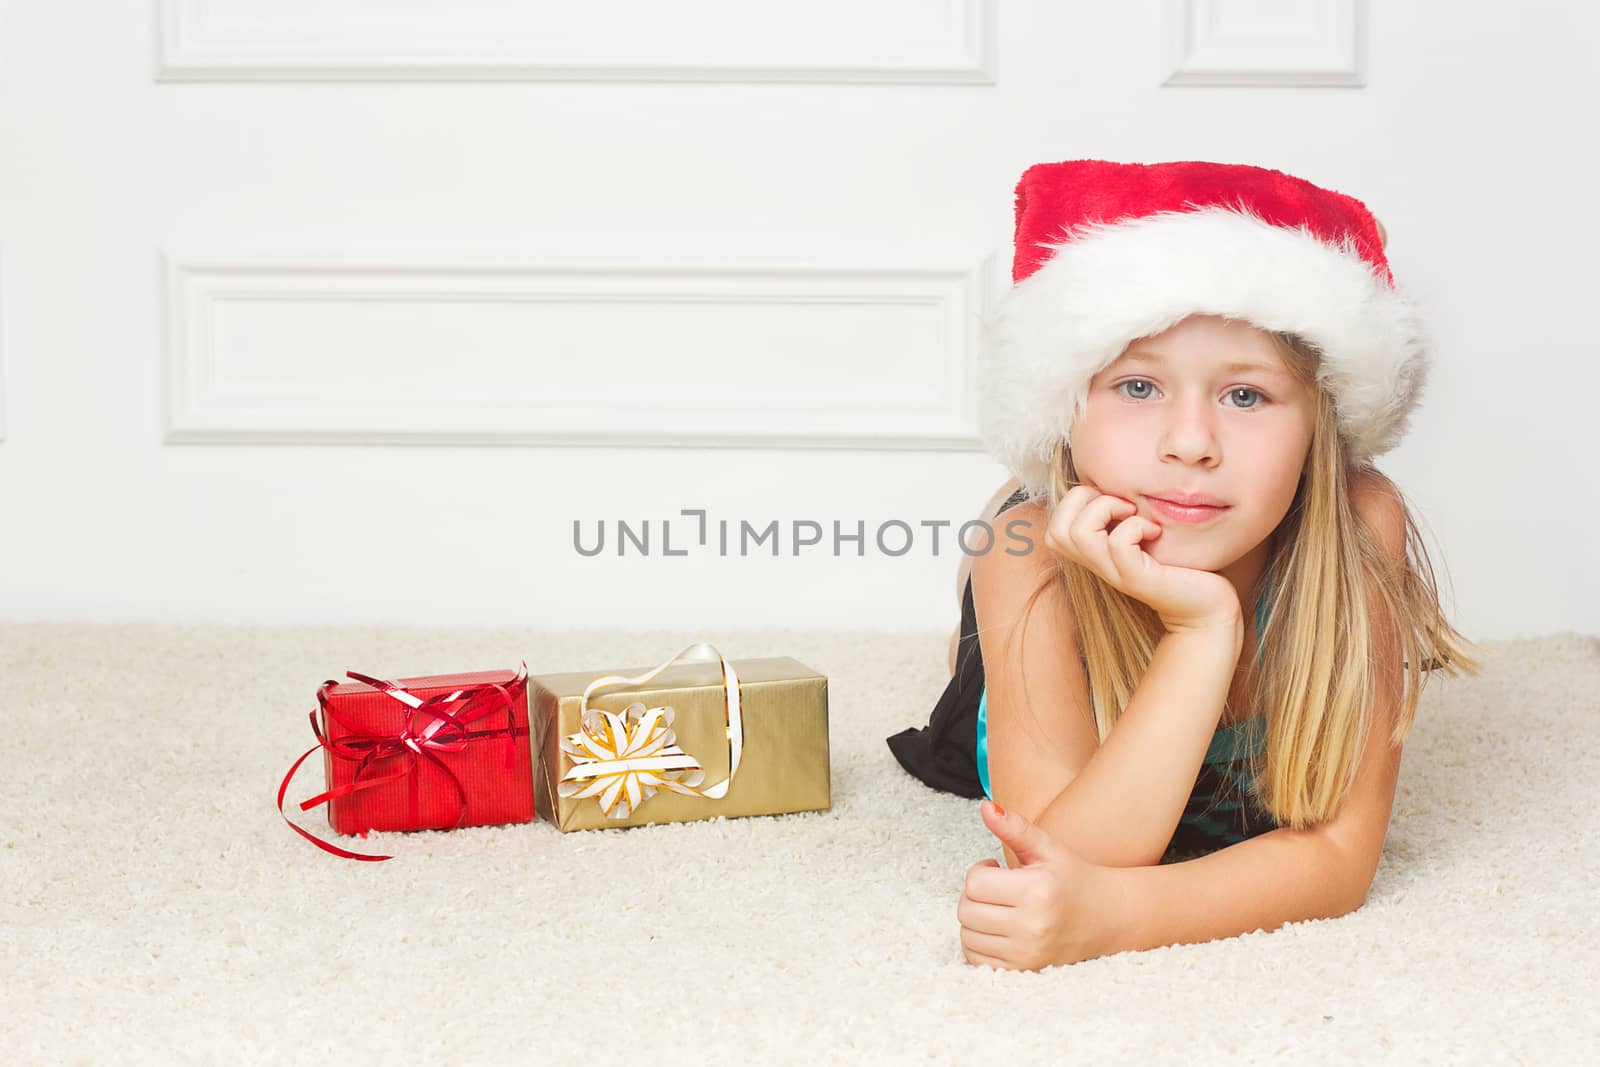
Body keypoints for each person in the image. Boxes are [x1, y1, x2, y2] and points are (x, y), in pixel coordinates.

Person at [883, 159, 1483, 971]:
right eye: (1137, 386)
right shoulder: (1030, 566)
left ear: (1320, 430)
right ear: (1065, 411)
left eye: (1245, 396)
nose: (1191, 442)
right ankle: (982, 600)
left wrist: (1118, 917)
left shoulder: (1360, 521)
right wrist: (1201, 635)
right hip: (1045, 575)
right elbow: (1058, 862)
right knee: (1011, 543)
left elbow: (1340, 859)